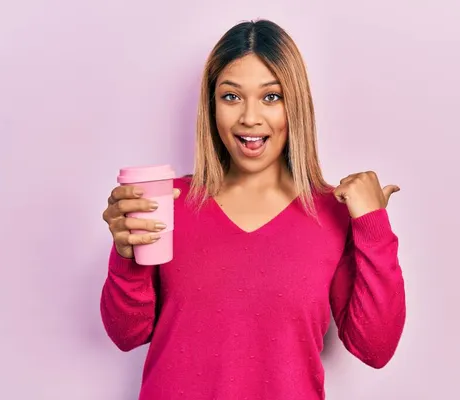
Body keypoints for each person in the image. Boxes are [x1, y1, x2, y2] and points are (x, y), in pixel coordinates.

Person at [100, 19, 406, 400]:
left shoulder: (333, 213)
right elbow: (126, 334)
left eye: (271, 97)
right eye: (231, 96)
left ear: (295, 105)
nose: (249, 117)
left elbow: (375, 348)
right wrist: (126, 254)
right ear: (211, 105)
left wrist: (373, 226)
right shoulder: (167, 202)